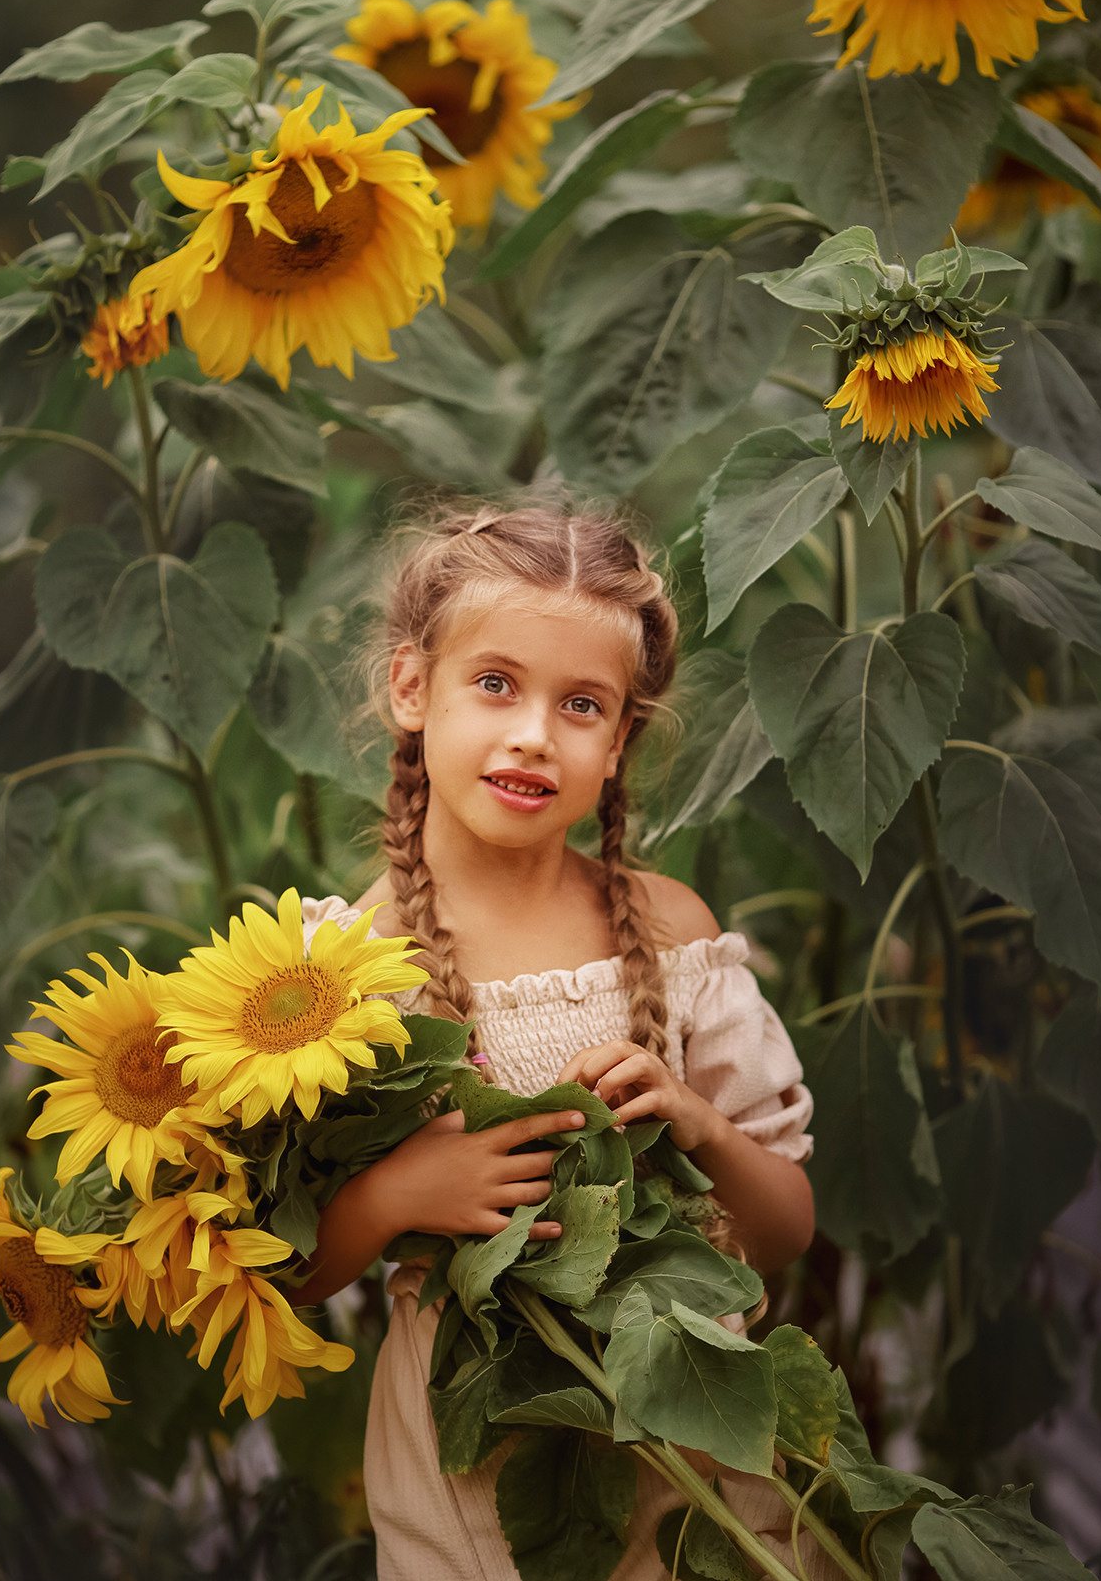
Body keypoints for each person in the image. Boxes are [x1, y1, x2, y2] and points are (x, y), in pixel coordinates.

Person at [293, 503, 822, 1581]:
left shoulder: (673, 935)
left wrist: (700, 1125)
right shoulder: (341, 977)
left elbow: (784, 1232)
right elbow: (284, 1267)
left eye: (581, 704)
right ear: (410, 689)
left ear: (621, 737)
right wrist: (395, 1198)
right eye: (495, 683)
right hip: (470, 1461)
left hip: (686, 1442)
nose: (534, 732)